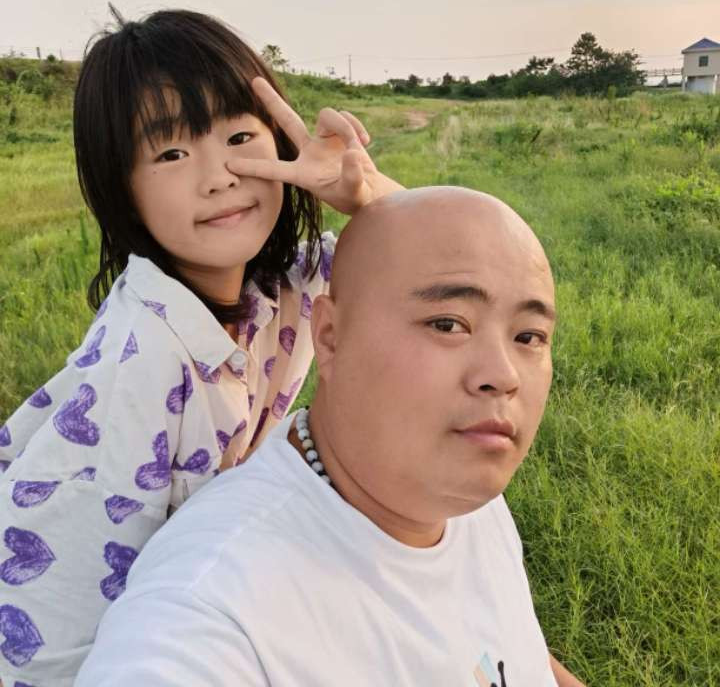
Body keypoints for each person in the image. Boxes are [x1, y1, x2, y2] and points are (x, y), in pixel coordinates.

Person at [0, 8, 401, 686]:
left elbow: (448, 267)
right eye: (171, 154)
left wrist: (368, 196)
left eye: (239, 137)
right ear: (122, 189)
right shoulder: (146, 358)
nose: (219, 177)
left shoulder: (283, 285)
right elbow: (72, 617)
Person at [75, 187, 586, 687]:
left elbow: (512, 655)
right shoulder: (213, 609)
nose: (503, 375)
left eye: (528, 337)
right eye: (448, 324)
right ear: (330, 337)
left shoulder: (459, 493)